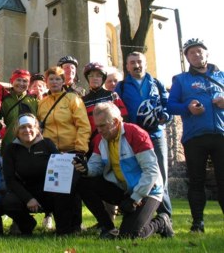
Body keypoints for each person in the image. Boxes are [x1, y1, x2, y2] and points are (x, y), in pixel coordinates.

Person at [74, 102, 174, 239]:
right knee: (83, 181)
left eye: (102, 126)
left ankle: (162, 221)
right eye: (97, 126)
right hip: (124, 190)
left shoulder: (136, 134)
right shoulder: (100, 139)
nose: (99, 130)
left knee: (130, 236)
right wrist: (86, 169)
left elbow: (151, 172)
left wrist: (135, 198)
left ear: (115, 122)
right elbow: (95, 167)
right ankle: (108, 228)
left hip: (148, 190)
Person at [168, 38, 224, 233]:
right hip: (195, 138)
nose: (196, 55)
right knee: (196, 180)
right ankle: (197, 223)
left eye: (199, 51)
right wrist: (188, 108)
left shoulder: (221, 75)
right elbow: (171, 105)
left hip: (221, 136)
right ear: (187, 58)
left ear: (207, 54)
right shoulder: (181, 79)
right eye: (191, 53)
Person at [115, 51, 173, 218]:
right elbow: (118, 109)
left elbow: (167, 103)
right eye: (132, 62)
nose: (136, 65)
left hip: (156, 136)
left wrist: (166, 116)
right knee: (136, 175)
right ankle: (139, 215)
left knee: (161, 175)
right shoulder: (122, 86)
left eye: (139, 61)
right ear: (127, 66)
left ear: (145, 64)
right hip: (134, 139)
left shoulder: (156, 83)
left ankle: (165, 216)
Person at [37, 66, 91, 233]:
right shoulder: (42, 103)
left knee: (73, 191)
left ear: (63, 81)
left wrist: (80, 149)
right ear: (46, 82)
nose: (54, 82)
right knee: (57, 190)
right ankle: (62, 227)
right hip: (52, 154)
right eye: (51, 79)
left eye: (58, 79)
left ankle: (75, 226)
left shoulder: (72, 99)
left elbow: (83, 125)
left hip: (71, 151)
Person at [2, 114, 75, 236]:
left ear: (37, 128)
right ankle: (27, 225)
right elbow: (10, 180)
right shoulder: (10, 149)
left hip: (49, 192)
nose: (27, 130)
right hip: (25, 193)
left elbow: (60, 168)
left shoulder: (47, 144)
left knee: (66, 192)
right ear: (17, 131)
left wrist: (66, 161)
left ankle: (64, 230)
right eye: (22, 127)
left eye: (30, 126)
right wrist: (28, 199)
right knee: (8, 202)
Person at [82, 62, 128, 149]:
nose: (94, 78)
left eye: (98, 75)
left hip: (114, 139)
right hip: (92, 143)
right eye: (91, 76)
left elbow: (124, 117)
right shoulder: (83, 101)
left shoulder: (112, 95)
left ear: (103, 78)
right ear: (87, 78)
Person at [0, 69, 38, 154]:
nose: (21, 84)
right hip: (10, 143)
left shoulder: (34, 100)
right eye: (18, 80)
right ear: (12, 81)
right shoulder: (5, 100)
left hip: (31, 143)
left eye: (25, 81)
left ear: (29, 84)